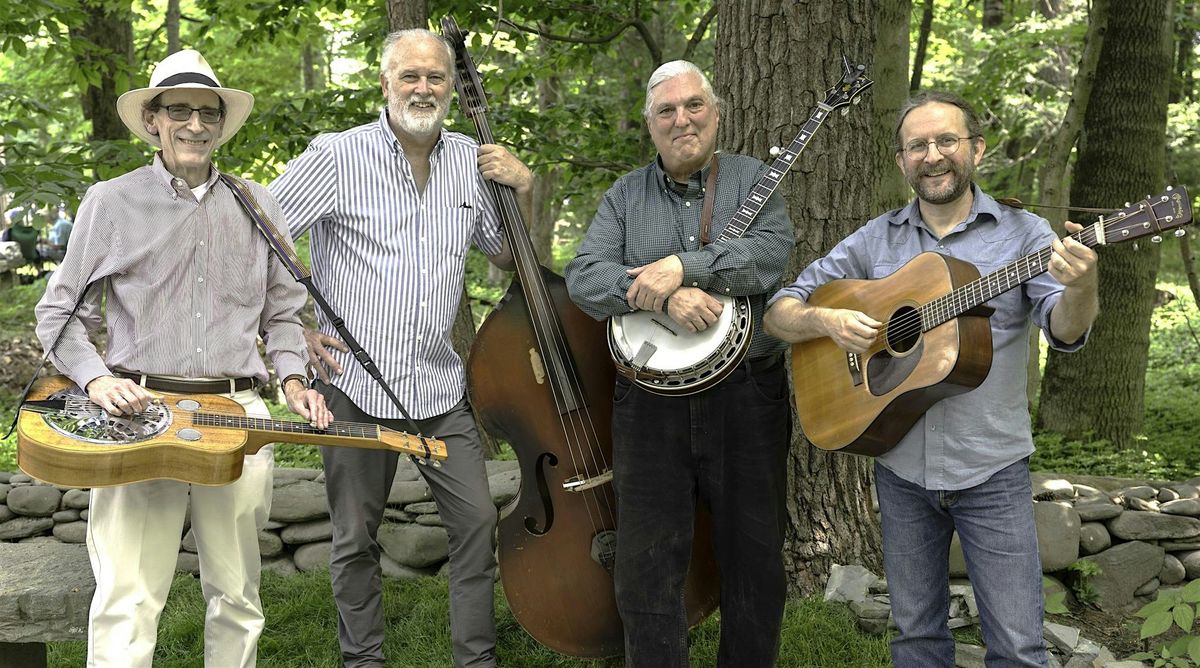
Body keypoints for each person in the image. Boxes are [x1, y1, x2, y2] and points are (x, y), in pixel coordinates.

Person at [764, 90, 1099, 668]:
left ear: (976, 149)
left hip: (991, 469)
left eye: (946, 140)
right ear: (901, 161)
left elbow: (1066, 332)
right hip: (901, 470)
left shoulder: (1025, 236)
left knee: (1018, 649)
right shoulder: (876, 240)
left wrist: (1082, 284)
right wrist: (826, 319)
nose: (933, 155)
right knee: (915, 640)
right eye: (918, 145)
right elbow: (779, 310)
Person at [34, 48, 331, 668]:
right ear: (153, 121)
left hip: (237, 411)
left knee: (237, 593)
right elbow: (59, 315)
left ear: (221, 125)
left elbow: (281, 313)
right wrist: (93, 381)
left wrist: (295, 378)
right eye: (179, 111)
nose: (194, 125)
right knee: (128, 597)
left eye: (208, 113)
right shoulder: (111, 203)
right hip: (137, 411)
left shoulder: (256, 204)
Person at [268, 29, 532, 668]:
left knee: (474, 526)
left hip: (440, 390)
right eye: (409, 76)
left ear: (449, 86)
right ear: (384, 84)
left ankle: (476, 659)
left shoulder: (472, 159)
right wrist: (291, 329)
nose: (423, 88)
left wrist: (523, 188)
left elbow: (503, 257)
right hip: (353, 387)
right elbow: (259, 233)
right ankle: (364, 659)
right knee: (355, 537)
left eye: (435, 77)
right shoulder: (338, 156)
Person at [564, 60, 794, 667]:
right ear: (650, 125)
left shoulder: (754, 180)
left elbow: (770, 257)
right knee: (645, 566)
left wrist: (685, 266)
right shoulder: (625, 196)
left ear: (715, 115)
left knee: (754, 558)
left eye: (694, 106)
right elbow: (586, 278)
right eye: (666, 111)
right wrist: (663, 293)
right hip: (649, 403)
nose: (681, 119)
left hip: (747, 395)